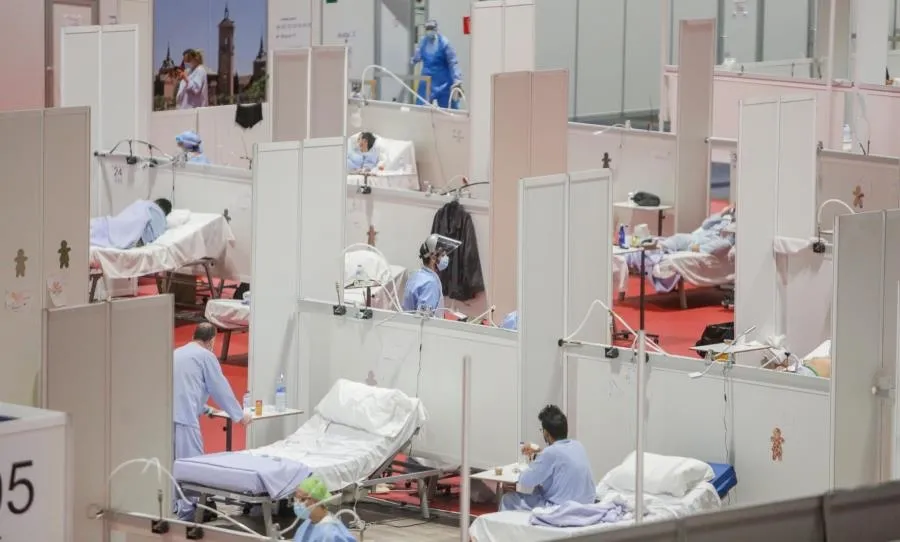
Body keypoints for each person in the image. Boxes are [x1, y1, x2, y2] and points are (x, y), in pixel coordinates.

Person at [173, 323, 251, 521]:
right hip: (184, 418)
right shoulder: (206, 356)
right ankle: (189, 512)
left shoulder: (177, 352)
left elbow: (185, 387)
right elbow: (219, 388)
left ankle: (174, 506)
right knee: (191, 466)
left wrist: (205, 408)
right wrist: (239, 415)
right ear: (212, 341)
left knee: (171, 464)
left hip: (166, 416)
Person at [500, 404, 596, 511]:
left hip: (560, 509)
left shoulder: (550, 453)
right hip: (586, 505)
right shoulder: (578, 445)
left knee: (508, 499)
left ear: (546, 433)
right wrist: (539, 452)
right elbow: (559, 459)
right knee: (538, 490)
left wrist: (520, 473)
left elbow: (527, 480)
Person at [402, 234, 460, 313]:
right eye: (442, 255)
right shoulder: (430, 283)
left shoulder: (415, 275)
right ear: (433, 258)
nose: (446, 258)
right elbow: (425, 319)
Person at [411, 20, 462, 109]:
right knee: (421, 108)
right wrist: (412, 61)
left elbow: (453, 62)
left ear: (436, 29)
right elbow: (417, 57)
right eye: (428, 29)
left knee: (448, 110)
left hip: (443, 82)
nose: (429, 31)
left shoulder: (444, 43)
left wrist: (457, 79)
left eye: (431, 29)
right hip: (426, 81)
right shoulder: (423, 42)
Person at [89, 198, 172, 249]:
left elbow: (129, 216)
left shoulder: (147, 204)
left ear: (157, 203)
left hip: (114, 225)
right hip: (135, 238)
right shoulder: (163, 224)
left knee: (98, 226)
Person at [291, 476, 356, 542]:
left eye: (302, 499)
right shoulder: (307, 524)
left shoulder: (330, 534)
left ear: (317, 500)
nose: (297, 504)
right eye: (296, 499)